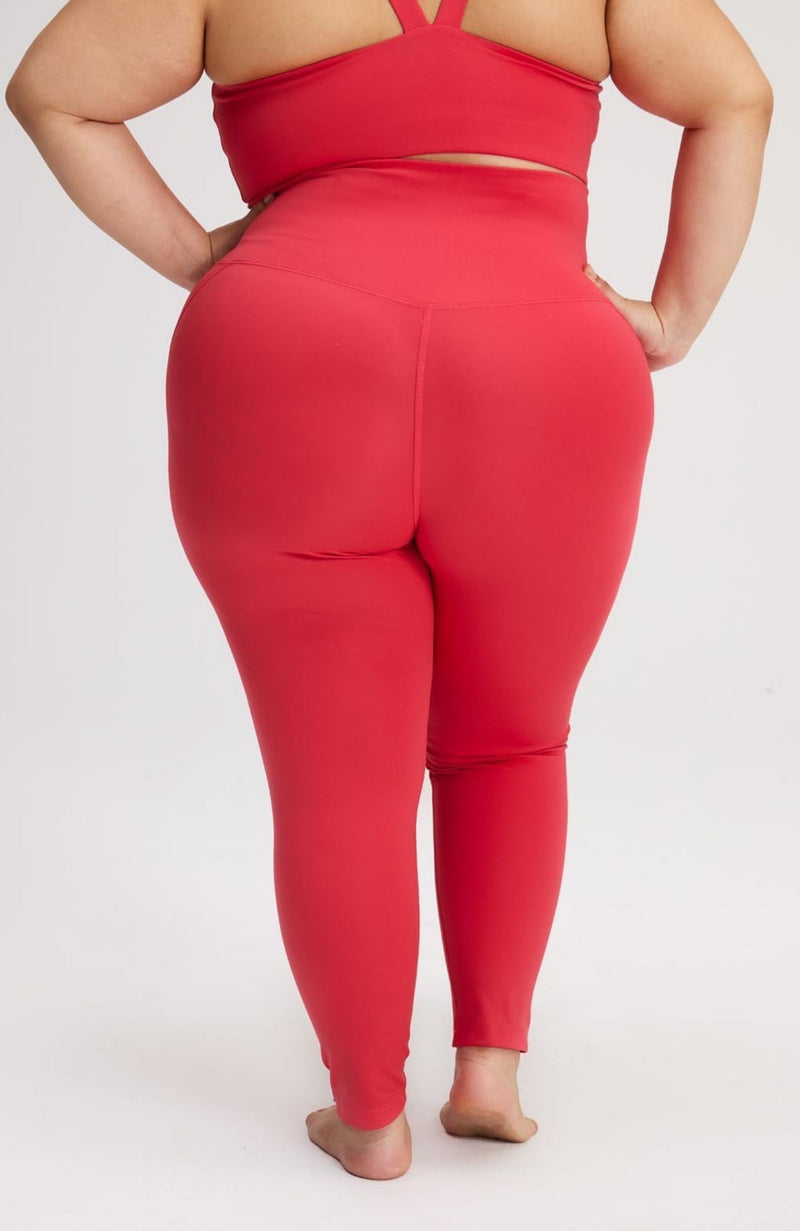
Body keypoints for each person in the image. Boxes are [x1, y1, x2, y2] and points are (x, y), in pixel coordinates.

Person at [6, 0, 772, 1183]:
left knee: (336, 777)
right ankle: (488, 1072)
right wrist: (672, 314)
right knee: (510, 739)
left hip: (288, 345)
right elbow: (736, 94)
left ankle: (368, 1115)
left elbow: (51, 89)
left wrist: (204, 256)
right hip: (542, 357)